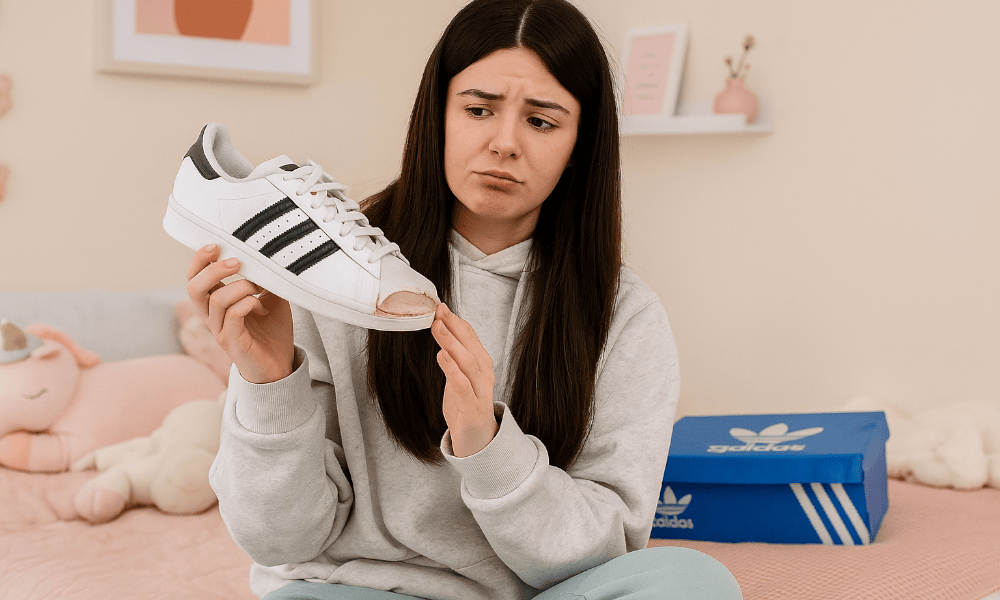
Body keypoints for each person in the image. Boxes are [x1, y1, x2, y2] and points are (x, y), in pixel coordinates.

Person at [186, 0, 742, 598]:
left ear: (581, 144)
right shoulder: (328, 272)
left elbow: (606, 549)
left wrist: (489, 449)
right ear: (439, 115)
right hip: (357, 591)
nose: (504, 143)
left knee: (695, 583)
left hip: (538, 593)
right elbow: (281, 541)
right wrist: (268, 380)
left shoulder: (625, 314)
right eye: (478, 109)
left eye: (542, 121)